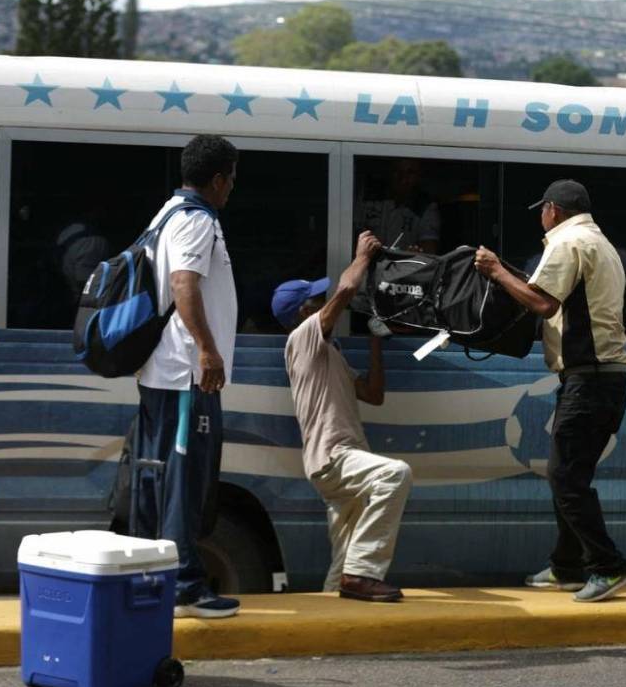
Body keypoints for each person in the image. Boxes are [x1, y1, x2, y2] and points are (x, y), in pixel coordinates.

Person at [473, 179, 626, 603]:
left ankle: (609, 566)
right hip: (603, 377)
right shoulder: (600, 243)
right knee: (568, 473)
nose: (541, 218)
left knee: (565, 476)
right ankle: (567, 566)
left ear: (553, 210)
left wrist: (496, 271)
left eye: (542, 211)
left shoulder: (568, 242)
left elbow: (543, 303)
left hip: (590, 377)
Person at [132, 135, 240, 618]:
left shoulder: (168, 213)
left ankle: (157, 578)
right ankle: (184, 587)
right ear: (217, 179)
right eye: (231, 179)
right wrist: (207, 351)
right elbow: (184, 285)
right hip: (184, 375)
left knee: (163, 478)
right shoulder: (197, 220)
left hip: (170, 373)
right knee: (184, 480)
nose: (231, 188)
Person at [273, 231, 413, 602]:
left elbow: (373, 395)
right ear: (303, 313)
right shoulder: (302, 339)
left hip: (338, 460)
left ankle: (339, 596)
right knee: (394, 475)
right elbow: (347, 289)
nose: (324, 302)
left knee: (341, 560)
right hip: (335, 458)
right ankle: (363, 573)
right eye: (316, 300)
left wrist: (375, 342)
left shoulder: (328, 354)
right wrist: (362, 255)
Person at [358, 157, 440, 253]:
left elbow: (429, 247)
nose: (403, 177)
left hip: (403, 262)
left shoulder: (426, 207)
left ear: (418, 176)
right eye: (397, 171)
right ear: (389, 172)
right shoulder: (369, 199)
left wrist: (418, 253)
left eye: (410, 172)